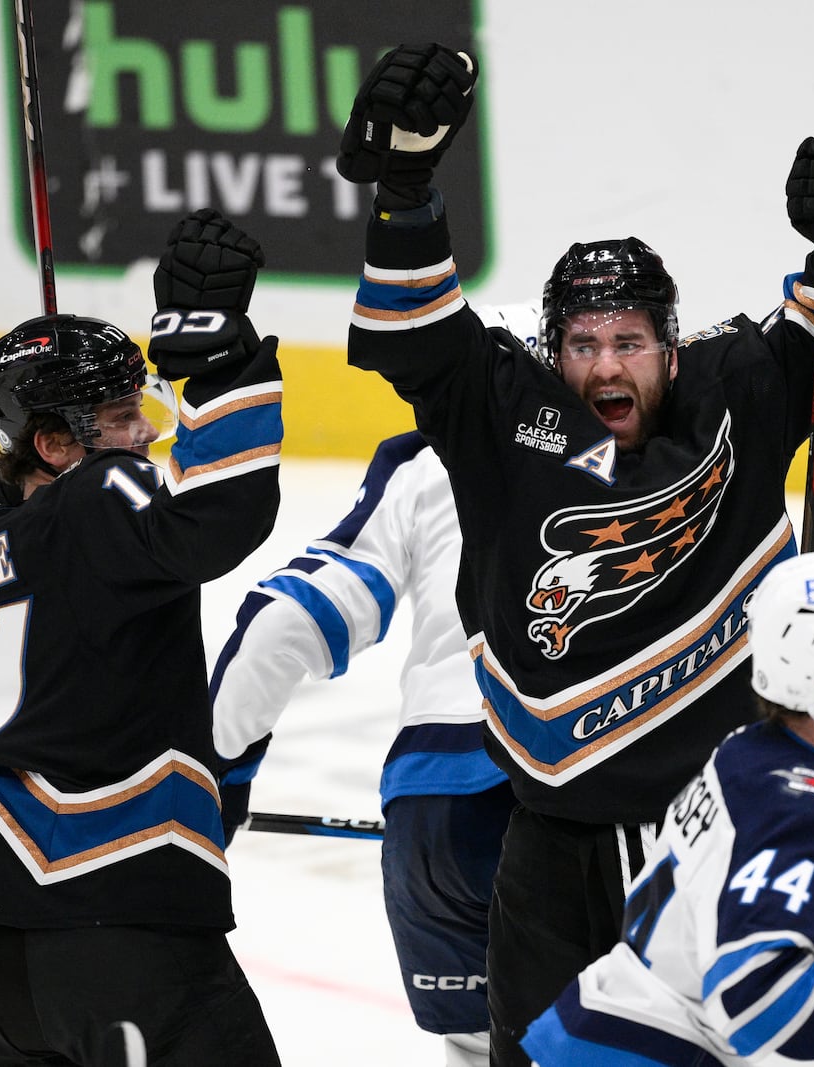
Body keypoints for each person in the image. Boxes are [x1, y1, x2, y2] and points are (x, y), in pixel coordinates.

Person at [335, 44, 814, 1064]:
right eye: (583, 344)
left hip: (713, 824)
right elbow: (415, 322)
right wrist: (405, 188)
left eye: (629, 343)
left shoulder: (738, 387)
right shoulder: (500, 413)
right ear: (553, 350)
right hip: (550, 836)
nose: (605, 366)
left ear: (669, 344)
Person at [0, 209, 285, 1065]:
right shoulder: (97, 502)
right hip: (121, 940)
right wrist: (214, 362)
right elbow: (218, 520)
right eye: (117, 417)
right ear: (56, 444)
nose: (142, 434)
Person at [210, 304, 541, 1067]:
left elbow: (284, 620)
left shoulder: (420, 465)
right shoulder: (631, 460)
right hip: (576, 799)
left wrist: (216, 774)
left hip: (435, 818)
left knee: (484, 1046)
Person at [518, 551, 814, 1067]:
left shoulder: (753, 753)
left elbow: (742, 934)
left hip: (609, 1033)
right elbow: (756, 1002)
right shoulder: (806, 815)